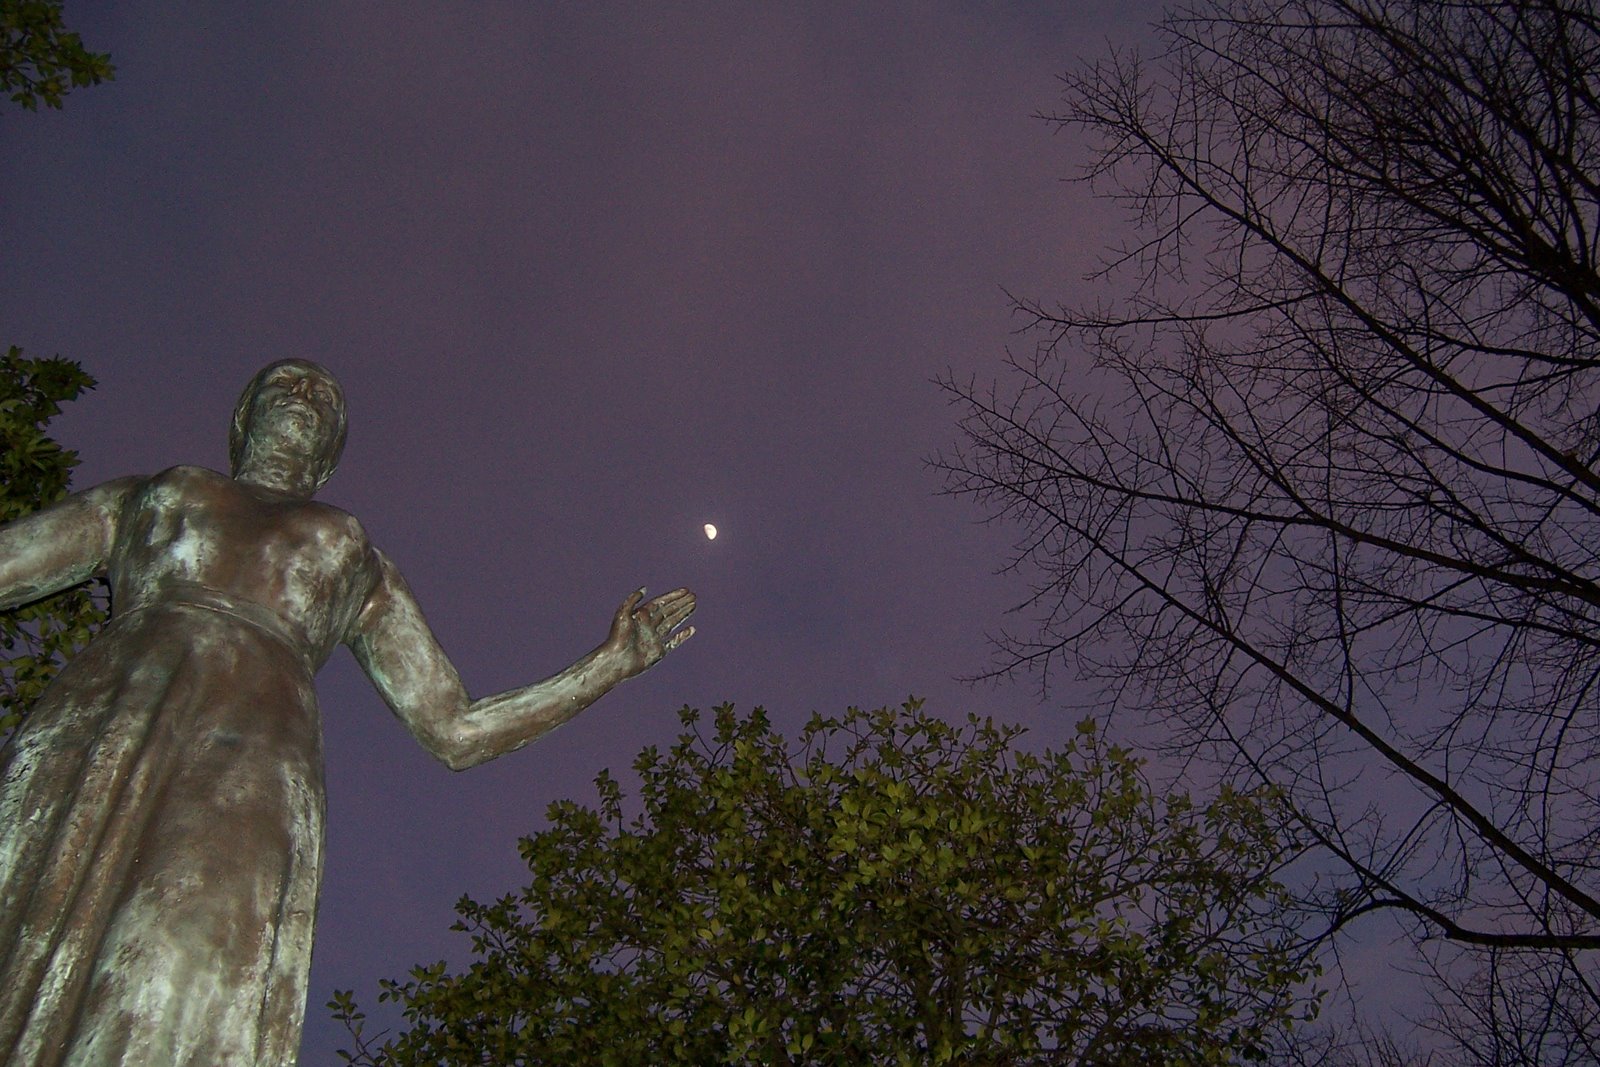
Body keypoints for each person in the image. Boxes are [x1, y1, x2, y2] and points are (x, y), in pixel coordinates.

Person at [0, 359, 695, 1066]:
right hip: (108, 709)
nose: (304, 393)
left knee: (187, 953)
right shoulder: (154, 493)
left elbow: (456, 729)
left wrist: (606, 667)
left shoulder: (352, 552)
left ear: (331, 451)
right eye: (286, 382)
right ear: (244, 416)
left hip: (251, 755)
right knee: (32, 899)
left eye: (324, 395)